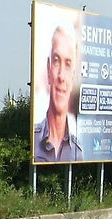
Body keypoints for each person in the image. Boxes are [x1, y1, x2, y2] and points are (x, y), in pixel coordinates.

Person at [34, 24, 83, 163]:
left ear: (73, 75)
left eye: (67, 64)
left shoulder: (77, 152)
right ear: (49, 70)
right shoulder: (33, 141)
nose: (61, 76)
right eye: (56, 61)